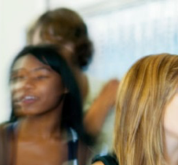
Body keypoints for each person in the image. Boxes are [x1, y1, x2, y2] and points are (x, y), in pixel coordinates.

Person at [28, 7, 119, 153]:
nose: (45, 58)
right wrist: (96, 115)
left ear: (79, 48)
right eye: (37, 51)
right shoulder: (34, 101)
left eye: (54, 48)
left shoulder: (112, 95)